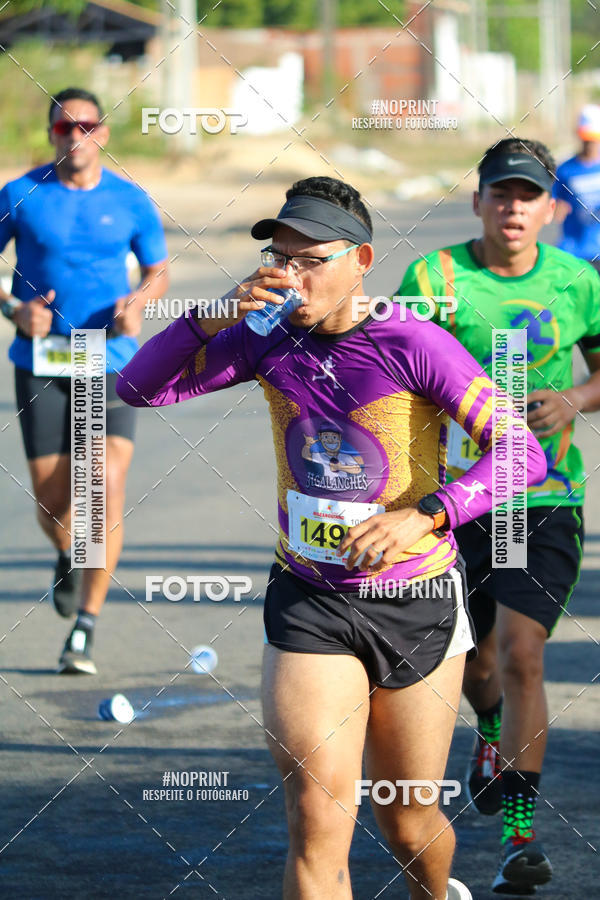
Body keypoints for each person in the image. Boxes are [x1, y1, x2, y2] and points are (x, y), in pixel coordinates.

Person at [117, 175, 546, 900]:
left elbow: (521, 455)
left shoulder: (415, 344)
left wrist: (427, 513)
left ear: (361, 260)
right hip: (310, 598)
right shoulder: (264, 343)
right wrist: (209, 320)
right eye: (280, 257)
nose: (290, 274)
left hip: (416, 603)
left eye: (310, 258)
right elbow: (136, 388)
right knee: (317, 817)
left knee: (409, 822)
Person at [397, 138, 600, 894]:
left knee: (521, 656)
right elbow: (394, 368)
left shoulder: (580, 281)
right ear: (478, 200)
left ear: (550, 207)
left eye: (529, 196)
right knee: (477, 664)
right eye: (501, 194)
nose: (513, 208)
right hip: (456, 502)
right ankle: (486, 733)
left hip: (544, 499)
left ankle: (520, 838)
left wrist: (573, 399)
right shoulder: (435, 278)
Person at [0, 87, 169, 674]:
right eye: (63, 128)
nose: (75, 137)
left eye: (86, 126)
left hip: (107, 356)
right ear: (52, 134)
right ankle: (70, 554)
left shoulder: (130, 200)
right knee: (52, 500)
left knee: (103, 486)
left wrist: (139, 302)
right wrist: (12, 309)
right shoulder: (21, 195)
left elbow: (156, 270)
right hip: (42, 359)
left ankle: (85, 628)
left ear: (104, 133)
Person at [553, 104, 600, 269]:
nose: (589, 144)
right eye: (586, 139)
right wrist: (557, 209)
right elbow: (553, 206)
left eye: (593, 139)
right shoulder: (565, 170)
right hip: (575, 252)